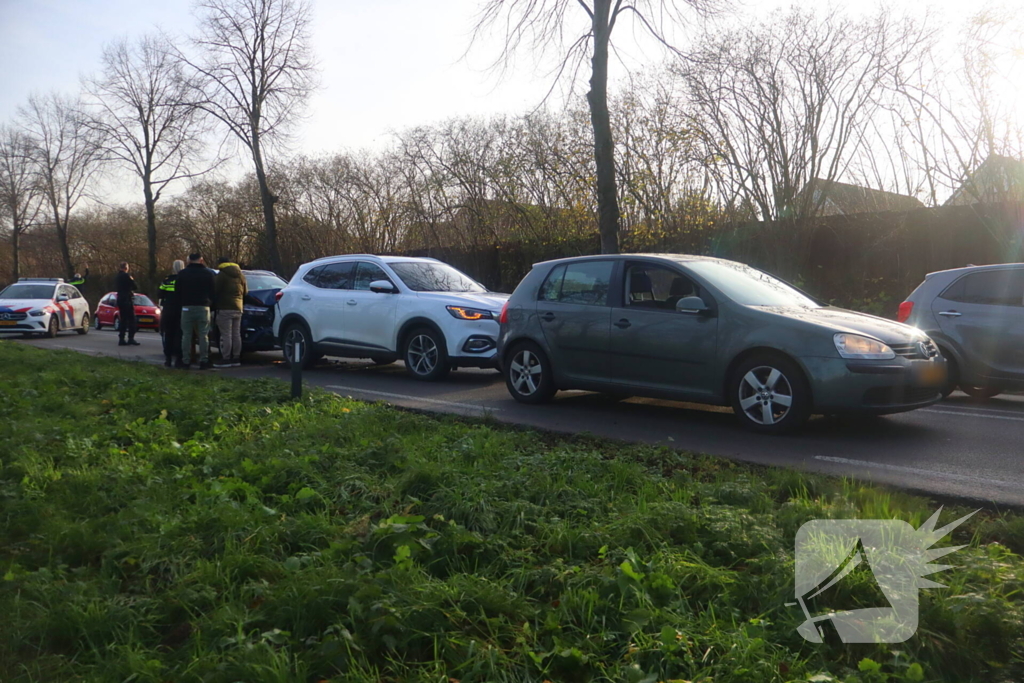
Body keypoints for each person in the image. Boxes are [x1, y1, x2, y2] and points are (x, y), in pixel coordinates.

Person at [175, 252, 216, 370]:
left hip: (187, 307)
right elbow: (213, 292)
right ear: (201, 260)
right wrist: (211, 305)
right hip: (203, 307)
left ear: (188, 261)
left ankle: (186, 360)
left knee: (186, 335)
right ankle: (204, 360)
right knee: (203, 335)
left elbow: (177, 292)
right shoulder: (208, 274)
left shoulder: (182, 274)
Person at [213, 255, 248, 368]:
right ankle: (236, 357)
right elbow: (246, 292)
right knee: (236, 334)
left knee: (226, 334)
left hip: (224, 307)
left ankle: (226, 358)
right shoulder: (240, 275)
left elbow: (215, 290)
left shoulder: (221, 275)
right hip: (238, 307)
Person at [158, 260, 185, 368]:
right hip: (181, 310)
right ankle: (179, 359)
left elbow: (160, 294)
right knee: (180, 335)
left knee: (168, 335)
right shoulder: (184, 280)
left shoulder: (167, 280)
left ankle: (168, 359)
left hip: (168, 310)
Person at [114, 261, 139, 346]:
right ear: (126, 268)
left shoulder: (117, 276)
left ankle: (121, 338)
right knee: (132, 319)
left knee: (123, 319)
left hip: (120, 298)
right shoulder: (126, 276)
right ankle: (131, 338)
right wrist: (132, 279)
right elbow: (135, 286)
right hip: (127, 299)